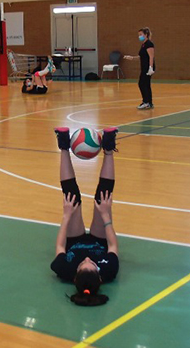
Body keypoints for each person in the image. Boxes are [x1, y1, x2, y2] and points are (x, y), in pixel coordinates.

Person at [50, 126, 120, 306]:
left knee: (71, 198)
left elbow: (60, 245)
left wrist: (66, 216)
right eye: (93, 264)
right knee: (103, 198)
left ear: (74, 277)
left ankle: (64, 145)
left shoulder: (64, 269)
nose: (88, 259)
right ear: (100, 276)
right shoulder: (109, 270)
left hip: (74, 240)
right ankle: (109, 149)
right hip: (100, 239)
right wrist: (105, 215)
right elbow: (112, 244)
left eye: (82, 264)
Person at [123, 27, 155, 109]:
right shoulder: (143, 45)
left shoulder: (149, 44)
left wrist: (150, 67)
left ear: (146, 35)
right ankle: (149, 102)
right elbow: (141, 56)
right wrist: (132, 58)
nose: (139, 36)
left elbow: (151, 57)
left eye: (141, 34)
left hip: (148, 67)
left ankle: (146, 102)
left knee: (142, 84)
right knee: (146, 84)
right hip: (144, 67)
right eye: (139, 35)